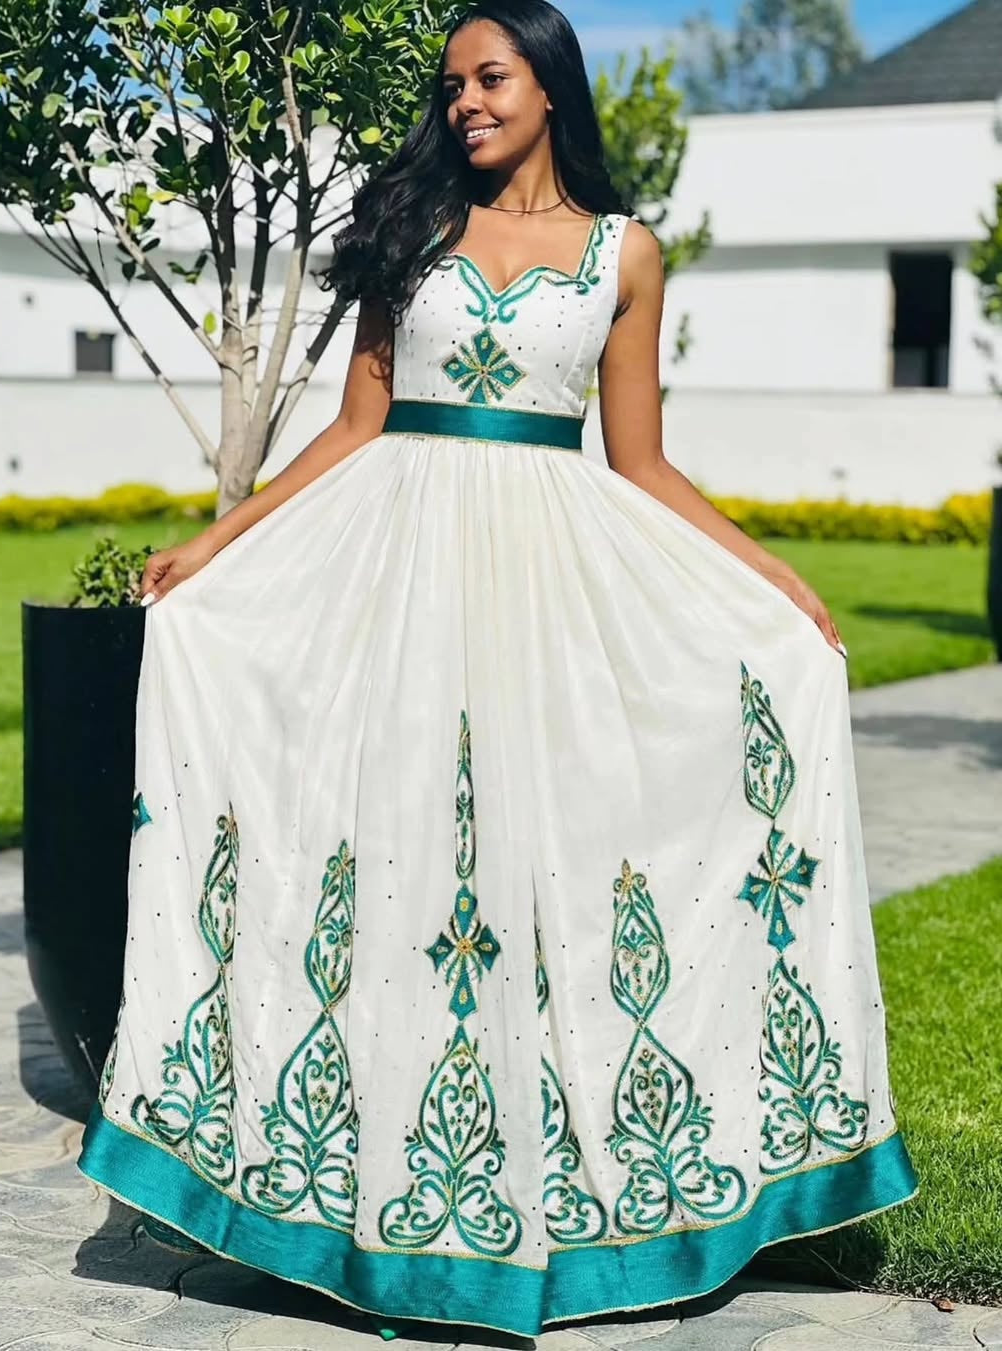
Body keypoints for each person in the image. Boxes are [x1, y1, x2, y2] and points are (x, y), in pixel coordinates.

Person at [76, 0, 918, 1338]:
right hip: (393, 568)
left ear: (549, 85)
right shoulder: (408, 231)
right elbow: (356, 424)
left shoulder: (625, 256)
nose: (466, 100)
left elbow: (638, 463)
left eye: (493, 76)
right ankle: (377, 1209)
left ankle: (568, 1203)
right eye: (454, 83)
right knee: (396, 855)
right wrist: (218, 540)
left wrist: (780, 583)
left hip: (547, 575)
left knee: (548, 865)